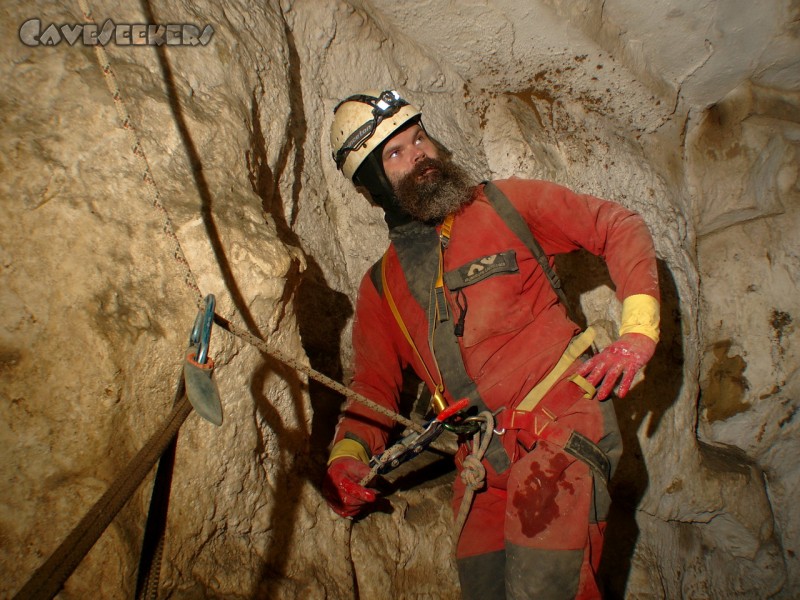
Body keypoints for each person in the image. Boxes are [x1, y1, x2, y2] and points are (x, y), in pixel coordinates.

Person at [322, 90, 660, 599]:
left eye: (419, 139)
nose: (420, 155)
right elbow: (373, 386)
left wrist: (638, 333)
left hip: (558, 432)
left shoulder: (503, 203)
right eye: (395, 153)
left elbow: (617, 226)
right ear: (371, 187)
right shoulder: (380, 289)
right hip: (482, 466)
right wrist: (345, 458)